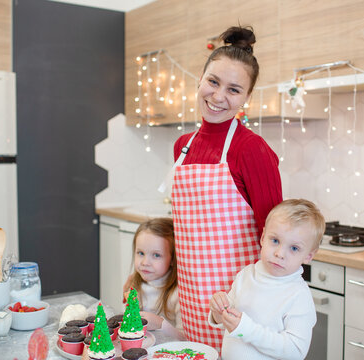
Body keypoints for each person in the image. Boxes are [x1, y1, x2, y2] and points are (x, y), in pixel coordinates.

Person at [170, 25, 283, 349]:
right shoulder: (183, 146)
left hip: (240, 303)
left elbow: (275, 235)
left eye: (234, 90)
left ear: (247, 97)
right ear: (200, 79)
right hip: (192, 297)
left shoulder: (252, 149)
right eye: (213, 81)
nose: (218, 96)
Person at [208, 199, 325, 359]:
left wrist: (246, 330)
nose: (280, 253)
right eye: (275, 240)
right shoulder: (246, 274)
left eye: (294, 248)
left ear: (309, 256)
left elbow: (295, 351)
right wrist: (218, 311)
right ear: (263, 237)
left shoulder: (298, 295)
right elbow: (230, 321)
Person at [124, 218, 185, 340]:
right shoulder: (134, 284)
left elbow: (185, 338)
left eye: (156, 255)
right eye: (140, 253)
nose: (145, 262)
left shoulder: (178, 294)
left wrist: (160, 324)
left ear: (173, 259)